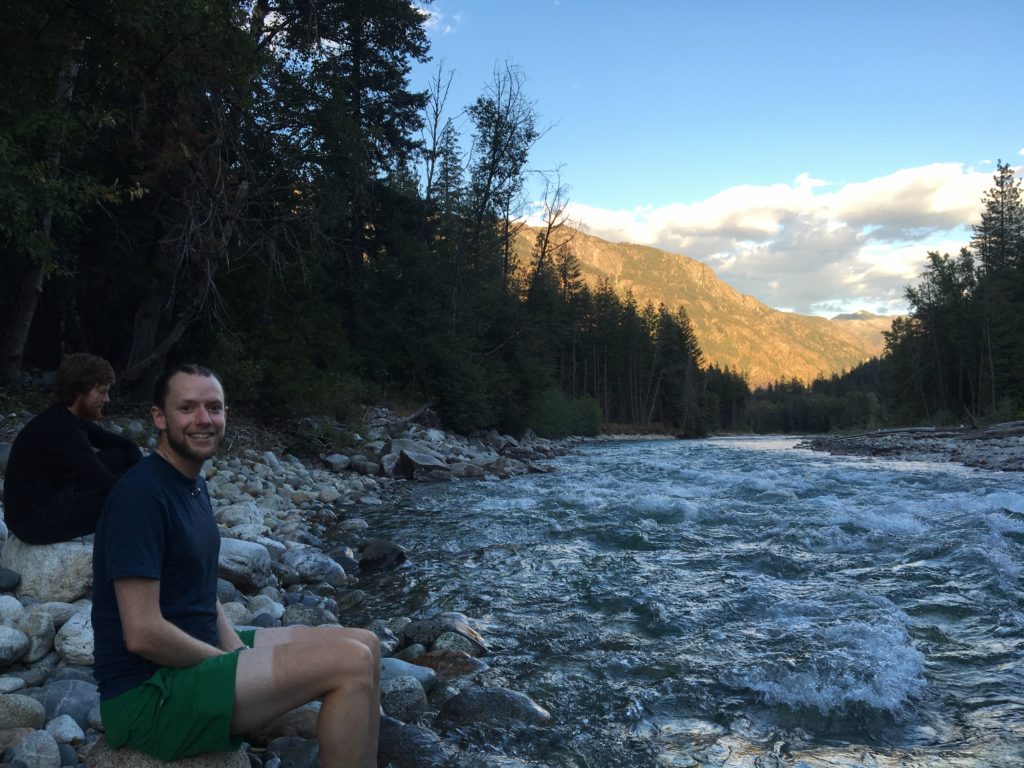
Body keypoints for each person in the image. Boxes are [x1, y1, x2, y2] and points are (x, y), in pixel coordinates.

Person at [91, 364, 380, 766]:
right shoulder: (140, 496)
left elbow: (200, 590)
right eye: (187, 408)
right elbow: (142, 634)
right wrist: (229, 664)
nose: (203, 420)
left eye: (214, 407)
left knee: (366, 643)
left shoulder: (191, 483)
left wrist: (233, 649)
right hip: (148, 695)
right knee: (349, 664)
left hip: (195, 655)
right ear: (159, 417)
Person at [3, 353, 142, 544]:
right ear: (79, 392)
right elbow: (105, 482)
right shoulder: (61, 429)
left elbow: (124, 446)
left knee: (119, 456)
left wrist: (144, 471)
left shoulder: (69, 417)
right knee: (124, 500)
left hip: (57, 494)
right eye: (102, 392)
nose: (107, 399)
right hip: (32, 522)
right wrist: (149, 488)